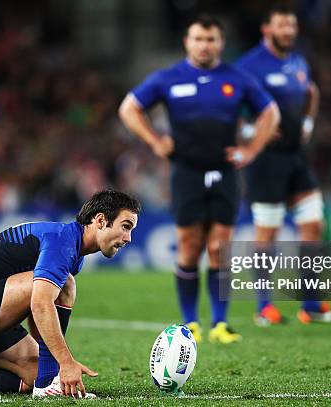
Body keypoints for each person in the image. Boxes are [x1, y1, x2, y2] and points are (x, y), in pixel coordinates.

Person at [119, 15, 280, 344]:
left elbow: (270, 112)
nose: (204, 45)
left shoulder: (237, 78)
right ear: (187, 42)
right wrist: (154, 141)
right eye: (198, 39)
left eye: (210, 39)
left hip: (224, 172)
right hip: (186, 172)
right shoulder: (168, 78)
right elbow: (129, 108)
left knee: (220, 248)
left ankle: (220, 324)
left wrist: (251, 150)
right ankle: (191, 322)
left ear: (220, 43)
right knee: (190, 248)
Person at [0, 189, 141, 398]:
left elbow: (40, 306)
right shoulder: (62, 242)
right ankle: (48, 382)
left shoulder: (72, 250)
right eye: (126, 226)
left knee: (32, 377)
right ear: (100, 220)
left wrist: (49, 361)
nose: (128, 238)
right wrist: (65, 361)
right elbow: (41, 305)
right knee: (65, 285)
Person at [235, 4, 331, 325]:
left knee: (314, 225)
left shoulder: (297, 60)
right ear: (267, 29)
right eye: (282, 25)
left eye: (292, 25)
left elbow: (311, 92)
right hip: (266, 159)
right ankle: (264, 307)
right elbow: (230, 104)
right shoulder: (250, 65)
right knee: (268, 232)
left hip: (296, 156)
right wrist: (251, 132)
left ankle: (310, 304)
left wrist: (306, 122)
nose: (289, 31)